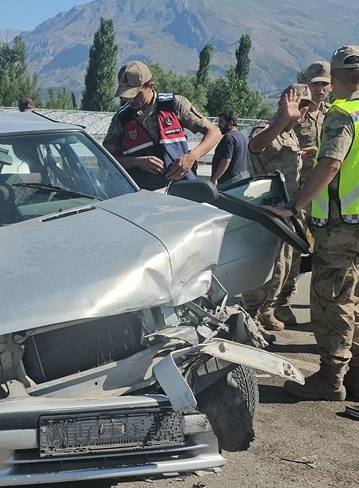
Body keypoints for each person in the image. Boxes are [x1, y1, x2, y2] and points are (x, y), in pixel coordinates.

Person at [267, 46, 359, 417]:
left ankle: (330, 378)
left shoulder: (342, 114)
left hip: (343, 227)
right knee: (356, 301)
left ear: (336, 78)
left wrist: (295, 206)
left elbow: (331, 164)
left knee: (331, 301)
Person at [240, 85, 312, 331]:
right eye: (298, 103)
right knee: (263, 268)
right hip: (266, 210)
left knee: (281, 267)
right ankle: (248, 317)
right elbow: (256, 146)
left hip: (287, 209)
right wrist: (282, 121)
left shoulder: (292, 133)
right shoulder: (267, 127)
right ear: (283, 102)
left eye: (305, 106)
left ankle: (264, 311)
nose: (301, 110)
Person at [102, 61, 222, 192]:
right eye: (126, 96)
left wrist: (192, 157)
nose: (130, 100)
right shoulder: (121, 118)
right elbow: (104, 159)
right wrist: (136, 161)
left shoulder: (175, 105)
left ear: (150, 86)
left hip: (180, 190)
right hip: (143, 194)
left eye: (136, 94)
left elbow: (214, 133)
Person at [271, 61, 330, 326]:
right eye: (315, 83)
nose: (320, 89)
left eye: (324, 84)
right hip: (298, 193)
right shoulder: (297, 113)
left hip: (325, 192)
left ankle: (324, 303)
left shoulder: (335, 115)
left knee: (327, 252)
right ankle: (282, 302)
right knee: (294, 252)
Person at [210, 110, 249, 186]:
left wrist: (215, 178)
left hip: (229, 182)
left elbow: (226, 160)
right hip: (242, 177)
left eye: (221, 122)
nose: (218, 125)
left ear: (230, 123)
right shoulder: (242, 136)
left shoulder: (228, 138)